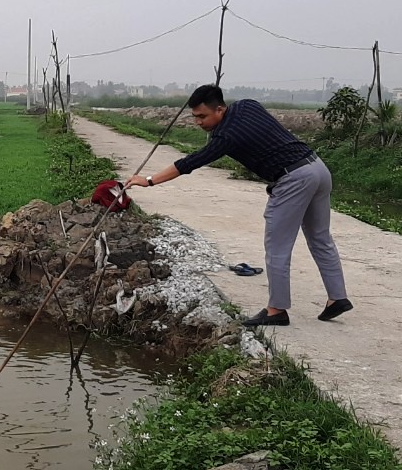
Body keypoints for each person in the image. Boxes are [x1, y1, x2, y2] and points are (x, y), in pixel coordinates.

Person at [125, 84, 352, 327]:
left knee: (277, 247)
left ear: (219, 109)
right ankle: (337, 298)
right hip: (317, 168)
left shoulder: (226, 137)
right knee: (320, 238)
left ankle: (276, 310)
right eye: (194, 117)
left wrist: (148, 181)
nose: (198, 123)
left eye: (202, 116)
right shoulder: (247, 105)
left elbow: (190, 162)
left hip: (293, 179)